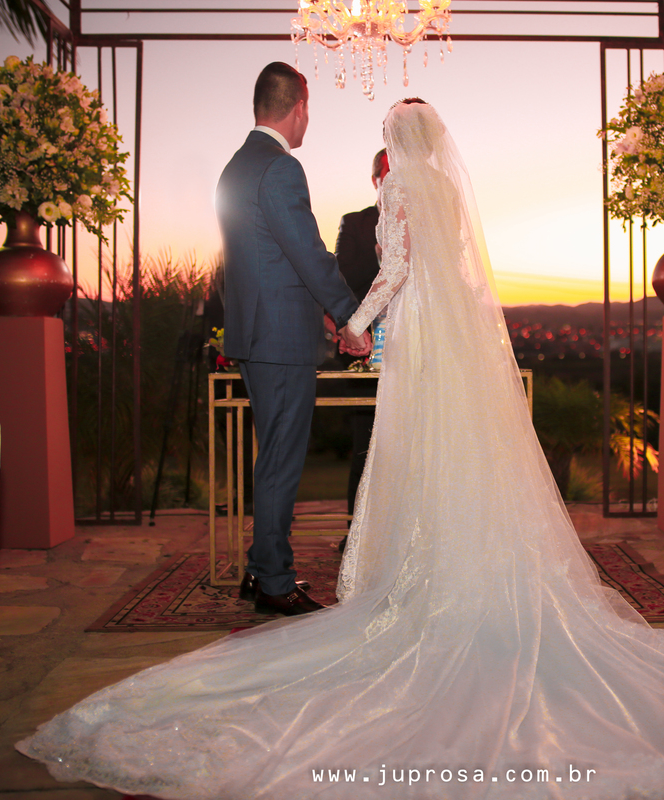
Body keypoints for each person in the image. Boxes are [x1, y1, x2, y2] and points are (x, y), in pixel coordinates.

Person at [17, 100, 664, 798]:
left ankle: (427, 591)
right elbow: (459, 273)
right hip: (459, 348)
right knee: (469, 462)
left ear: (394, 144)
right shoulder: (445, 186)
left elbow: (396, 271)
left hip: (414, 344)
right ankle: (474, 581)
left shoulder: (399, 188)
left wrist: (355, 324)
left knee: (419, 459)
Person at [214, 62, 371, 616]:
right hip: (279, 341)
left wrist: (321, 316)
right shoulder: (281, 167)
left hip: (258, 334)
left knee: (272, 457)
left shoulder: (236, 166)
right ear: (298, 106)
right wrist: (350, 316)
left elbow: (266, 259)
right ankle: (275, 583)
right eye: (309, 108)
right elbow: (307, 253)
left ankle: (262, 568)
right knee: (281, 461)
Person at [333, 149, 390, 547]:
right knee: (364, 445)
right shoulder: (355, 223)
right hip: (363, 347)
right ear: (375, 181)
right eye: (387, 172)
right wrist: (386, 249)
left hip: (413, 344)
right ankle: (358, 534)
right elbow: (342, 277)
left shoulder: (428, 219)